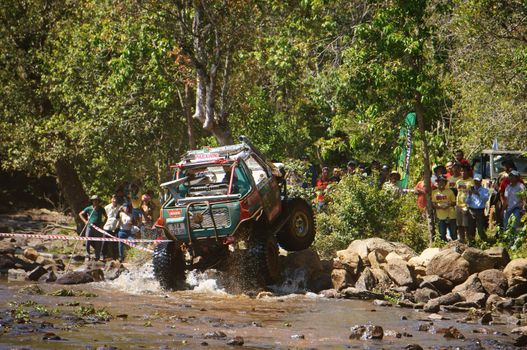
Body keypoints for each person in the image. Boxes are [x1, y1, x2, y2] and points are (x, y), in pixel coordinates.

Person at [78, 195, 107, 262]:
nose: (95, 202)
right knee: (87, 240)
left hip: (98, 227)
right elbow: (80, 214)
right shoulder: (89, 208)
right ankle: (87, 255)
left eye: (97, 200)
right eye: (94, 200)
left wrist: (103, 224)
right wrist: (85, 221)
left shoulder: (101, 208)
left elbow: (106, 217)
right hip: (90, 226)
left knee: (98, 242)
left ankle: (97, 256)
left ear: (98, 201)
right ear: (92, 201)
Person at [465, 174, 490, 245]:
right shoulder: (470, 189)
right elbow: (467, 201)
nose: (476, 182)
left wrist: (478, 194)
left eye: (478, 181)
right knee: (471, 227)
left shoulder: (485, 190)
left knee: (480, 228)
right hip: (471, 210)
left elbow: (486, 199)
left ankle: (484, 241)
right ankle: (472, 242)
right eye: (475, 180)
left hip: (480, 211)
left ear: (481, 181)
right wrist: (469, 195)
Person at [431, 176, 457, 241]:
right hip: (440, 216)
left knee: (453, 234)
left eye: (443, 182)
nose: (441, 183)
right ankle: (444, 248)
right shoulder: (434, 192)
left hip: (451, 215)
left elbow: (454, 202)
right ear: (437, 183)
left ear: (445, 183)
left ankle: (456, 247)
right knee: (442, 234)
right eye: (440, 182)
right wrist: (439, 207)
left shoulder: (450, 191)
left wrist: (448, 205)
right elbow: (433, 204)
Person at [455, 165, 474, 243]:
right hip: (458, 204)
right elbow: (458, 192)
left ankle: (469, 240)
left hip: (466, 205)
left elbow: (473, 193)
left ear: (468, 172)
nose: (463, 172)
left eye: (465, 171)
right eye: (462, 171)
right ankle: (462, 240)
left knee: (466, 224)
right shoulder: (458, 181)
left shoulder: (471, 181)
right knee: (459, 224)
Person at [102, 194, 120, 260]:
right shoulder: (106, 207)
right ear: (111, 199)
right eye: (113, 198)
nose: (114, 200)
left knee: (115, 243)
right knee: (105, 242)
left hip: (116, 227)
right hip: (107, 227)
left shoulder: (120, 208)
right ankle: (104, 255)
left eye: (116, 199)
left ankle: (115, 257)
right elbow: (104, 217)